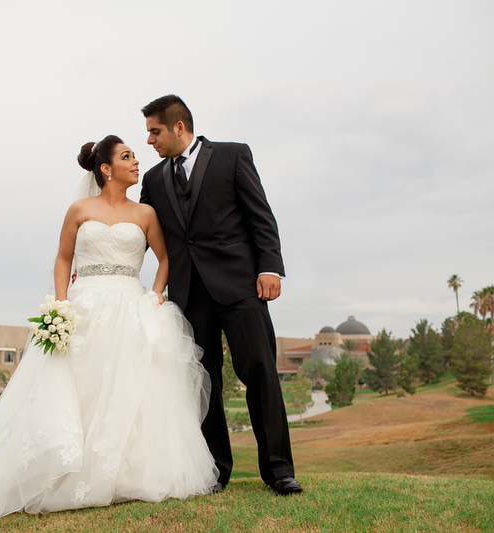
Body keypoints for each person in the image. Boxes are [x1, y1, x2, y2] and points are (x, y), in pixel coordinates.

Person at [0, 135, 218, 517]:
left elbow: (165, 260)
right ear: (106, 169)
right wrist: (61, 304)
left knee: (129, 385)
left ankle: (127, 473)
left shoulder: (146, 214)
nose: (136, 161)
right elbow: (62, 258)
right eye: (127, 156)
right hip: (83, 305)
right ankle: (62, 468)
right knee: (79, 387)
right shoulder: (78, 210)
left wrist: (155, 295)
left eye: (135, 155)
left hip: (129, 306)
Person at [139, 95, 302, 496]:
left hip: (241, 286)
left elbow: (260, 215)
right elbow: (140, 231)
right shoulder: (154, 180)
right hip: (189, 294)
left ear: (179, 127)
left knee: (260, 373)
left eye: (154, 131)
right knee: (203, 382)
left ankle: (279, 470)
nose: (149, 141)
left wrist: (269, 267)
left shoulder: (233, 156)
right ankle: (215, 471)